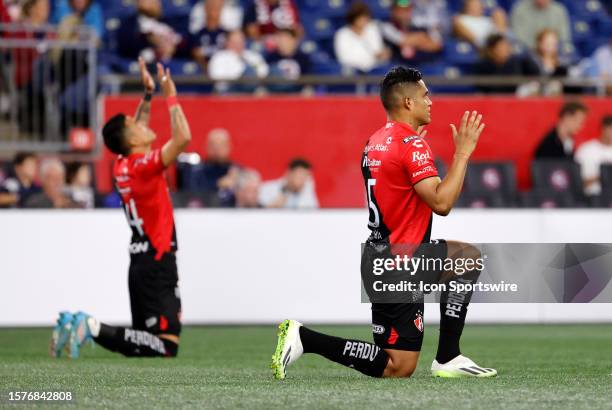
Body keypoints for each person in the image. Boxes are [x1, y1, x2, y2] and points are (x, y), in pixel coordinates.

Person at [271, 66, 496, 380]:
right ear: (407, 103)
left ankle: (448, 356)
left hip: (389, 257)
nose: (430, 101)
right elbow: (442, 203)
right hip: (399, 264)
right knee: (397, 367)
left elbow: (395, 182)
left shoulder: (375, 141)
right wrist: (462, 154)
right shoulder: (411, 145)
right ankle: (305, 338)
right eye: (425, 95)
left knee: (466, 258)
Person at [50, 58, 192, 359]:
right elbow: (183, 139)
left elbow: (129, 134)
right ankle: (90, 325)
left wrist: (147, 95)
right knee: (166, 345)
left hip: (141, 263)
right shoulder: (144, 166)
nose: (143, 124)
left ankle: (81, 325)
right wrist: (170, 95)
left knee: (143, 343)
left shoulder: (122, 165)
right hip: (157, 260)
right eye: (135, 125)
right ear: (130, 139)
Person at [116, 0, 188, 62]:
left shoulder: (170, 21)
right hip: (143, 64)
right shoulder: (130, 24)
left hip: (170, 64)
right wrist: (149, 40)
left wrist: (173, 48)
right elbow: (125, 47)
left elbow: (185, 43)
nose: (153, 3)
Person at [334, 1, 391, 73]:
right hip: (353, 72)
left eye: (366, 17)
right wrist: (372, 57)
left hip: (375, 70)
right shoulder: (342, 34)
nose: (364, 20)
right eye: (361, 17)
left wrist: (383, 55)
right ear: (353, 18)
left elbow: (378, 50)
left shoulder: (372, 29)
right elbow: (344, 59)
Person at [473, 33, 539, 93]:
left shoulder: (519, 62)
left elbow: (537, 74)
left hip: (516, 100)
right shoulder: (483, 66)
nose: (505, 49)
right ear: (491, 50)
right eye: (500, 47)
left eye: (506, 46)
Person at [195, 128, 241, 207]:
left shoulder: (238, 171)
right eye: (213, 145)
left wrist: (238, 185)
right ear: (206, 147)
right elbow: (191, 195)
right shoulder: (197, 172)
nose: (216, 149)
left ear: (229, 147)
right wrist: (218, 185)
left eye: (221, 145)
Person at [575, 115, 612, 196]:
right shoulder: (586, 150)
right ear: (604, 129)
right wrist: (601, 177)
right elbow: (574, 182)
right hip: (590, 198)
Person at [189, 0, 228, 71]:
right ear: (205, 8)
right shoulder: (196, 35)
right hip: (202, 75)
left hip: (223, 72)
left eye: (217, 7)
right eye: (211, 7)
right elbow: (196, 55)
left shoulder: (227, 34)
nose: (214, 11)